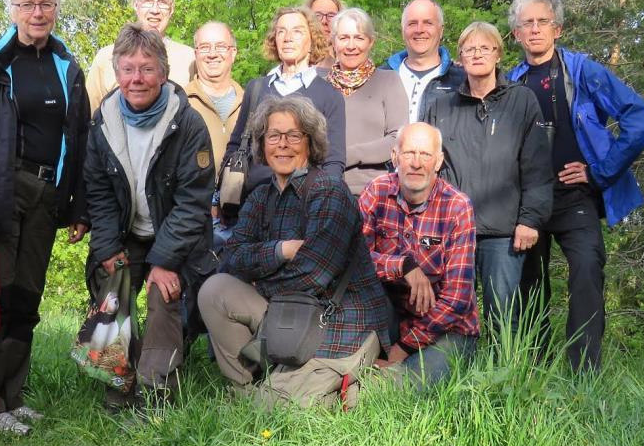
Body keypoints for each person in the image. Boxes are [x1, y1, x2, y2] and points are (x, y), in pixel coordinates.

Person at [0, 0, 89, 433]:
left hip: (47, 194)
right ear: (12, 11)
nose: (38, 12)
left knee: (27, 298)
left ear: (55, 9)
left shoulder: (67, 66)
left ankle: (11, 397)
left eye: (46, 4)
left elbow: (82, 137)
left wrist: (77, 206)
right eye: (28, 4)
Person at [200, 97, 390, 407]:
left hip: (340, 325)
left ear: (310, 141)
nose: (282, 145)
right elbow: (232, 259)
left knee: (272, 409)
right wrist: (280, 250)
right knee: (215, 289)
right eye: (273, 135)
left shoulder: (329, 191)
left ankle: (364, 387)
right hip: (290, 315)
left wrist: (257, 278)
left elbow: (314, 274)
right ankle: (250, 385)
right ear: (262, 144)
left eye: (294, 135)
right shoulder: (261, 196)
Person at [508, 0, 644, 371]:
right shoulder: (510, 83)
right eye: (528, 23)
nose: (536, 29)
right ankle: (531, 368)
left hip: (577, 197)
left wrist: (600, 172)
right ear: (516, 34)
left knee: (588, 272)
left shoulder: (582, 71)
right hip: (529, 203)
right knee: (529, 285)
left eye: (544, 22)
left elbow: (642, 118)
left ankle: (584, 373)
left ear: (558, 29)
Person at [85, 23, 215, 409]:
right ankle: (117, 380)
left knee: (164, 291)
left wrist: (165, 260)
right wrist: (108, 247)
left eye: (145, 68)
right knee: (112, 279)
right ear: (117, 71)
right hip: (127, 232)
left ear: (163, 72)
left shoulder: (188, 124)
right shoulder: (102, 121)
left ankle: (157, 389)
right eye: (127, 69)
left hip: (174, 236)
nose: (136, 79)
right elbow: (99, 192)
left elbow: (193, 202)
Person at [423, 22, 552, 337]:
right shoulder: (441, 106)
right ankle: (453, 379)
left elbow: (536, 166)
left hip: (504, 233)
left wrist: (530, 220)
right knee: (450, 316)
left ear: (498, 54)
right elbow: (426, 167)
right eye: (470, 49)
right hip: (453, 231)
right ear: (460, 57)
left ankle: (503, 381)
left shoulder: (521, 101)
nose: (477, 54)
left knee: (503, 319)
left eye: (485, 48)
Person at [359, 122, 479, 387]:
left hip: (446, 329)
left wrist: (404, 347)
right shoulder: (376, 192)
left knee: (404, 386)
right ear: (394, 157)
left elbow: (457, 299)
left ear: (438, 162)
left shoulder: (458, 207)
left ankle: (383, 380)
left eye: (425, 155)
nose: (416, 163)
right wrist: (403, 265)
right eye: (409, 153)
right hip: (391, 317)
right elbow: (355, 260)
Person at [220, 6, 345, 225]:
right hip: (253, 206)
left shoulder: (329, 95)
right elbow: (235, 145)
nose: (287, 38)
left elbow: (333, 161)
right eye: (281, 31)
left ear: (312, 40)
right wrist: (220, 196)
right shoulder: (256, 89)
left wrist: (323, 208)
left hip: (304, 208)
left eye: (297, 31)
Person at [87, 0, 195, 110]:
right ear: (136, 5)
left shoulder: (189, 58)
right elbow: (89, 119)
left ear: (172, 9)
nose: (155, 10)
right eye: (148, 1)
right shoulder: (105, 58)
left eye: (162, 2)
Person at [327, 7, 408, 195]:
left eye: (359, 38)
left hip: (374, 193)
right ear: (333, 42)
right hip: (325, 190)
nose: (351, 45)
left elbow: (398, 139)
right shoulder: (320, 87)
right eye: (344, 38)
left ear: (371, 42)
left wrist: (348, 155)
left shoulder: (389, 81)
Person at [385, 0, 466, 122]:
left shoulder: (462, 82)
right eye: (412, 23)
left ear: (441, 31)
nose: (419, 30)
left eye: (428, 23)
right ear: (403, 31)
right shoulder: (382, 77)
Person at [185, 21, 245, 173]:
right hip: (193, 196)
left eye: (220, 46)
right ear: (196, 54)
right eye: (205, 47)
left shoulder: (250, 103)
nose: (212, 54)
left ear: (233, 52)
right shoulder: (180, 104)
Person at [306, 0, 343, 70]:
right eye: (317, 16)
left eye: (331, 16)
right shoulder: (296, 66)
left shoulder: (351, 65)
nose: (324, 21)